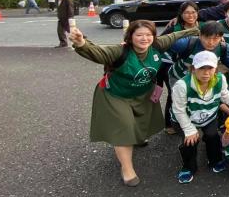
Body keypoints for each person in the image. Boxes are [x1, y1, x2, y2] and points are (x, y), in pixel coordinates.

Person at [69, 20, 199, 186]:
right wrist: (81, 43)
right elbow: (98, 53)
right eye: (139, 35)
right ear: (130, 37)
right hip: (116, 95)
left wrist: (196, 30)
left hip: (142, 94)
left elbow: (175, 35)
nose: (144, 38)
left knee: (140, 122)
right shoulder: (120, 51)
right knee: (125, 126)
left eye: (148, 35)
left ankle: (137, 138)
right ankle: (127, 168)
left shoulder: (158, 46)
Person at [171, 51, 229, 184]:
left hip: (209, 115)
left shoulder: (220, 78)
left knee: (213, 136)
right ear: (193, 69)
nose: (206, 72)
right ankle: (188, 167)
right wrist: (189, 129)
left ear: (216, 68)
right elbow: (178, 110)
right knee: (190, 141)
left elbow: (225, 96)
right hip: (186, 118)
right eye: (202, 68)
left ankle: (214, 160)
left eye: (210, 68)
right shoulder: (182, 85)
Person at [159, 1, 204, 134]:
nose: (190, 15)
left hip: (197, 68)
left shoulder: (204, 26)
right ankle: (169, 123)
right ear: (181, 14)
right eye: (186, 13)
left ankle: (191, 120)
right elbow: (159, 42)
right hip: (173, 66)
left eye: (193, 12)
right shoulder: (174, 28)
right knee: (174, 94)